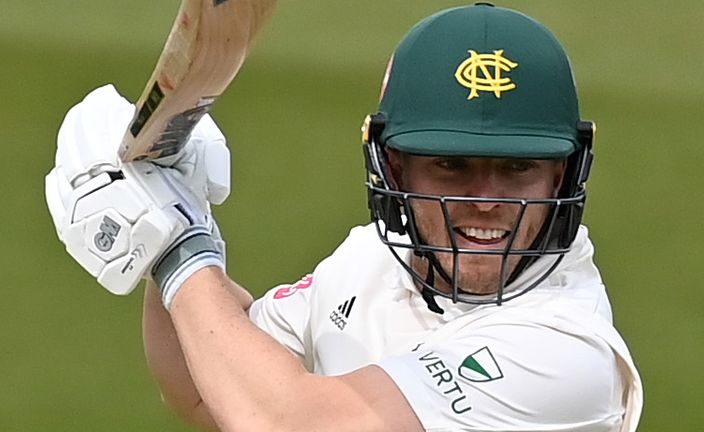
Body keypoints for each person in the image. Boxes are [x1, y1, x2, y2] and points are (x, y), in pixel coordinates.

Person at [45, 3, 643, 431]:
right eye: (451, 165)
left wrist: (180, 252)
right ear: (396, 168)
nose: (487, 199)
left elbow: (290, 422)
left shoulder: (568, 354)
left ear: (561, 175)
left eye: (517, 168)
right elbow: (208, 388)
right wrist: (174, 206)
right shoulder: (373, 259)